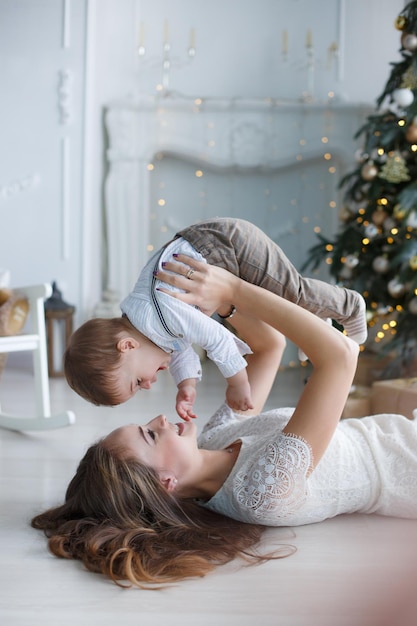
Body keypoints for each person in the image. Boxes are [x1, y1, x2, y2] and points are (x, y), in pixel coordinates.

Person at [32, 257, 417, 589]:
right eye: (150, 434)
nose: (161, 419)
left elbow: (269, 348)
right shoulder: (261, 490)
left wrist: (220, 306)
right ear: (166, 484)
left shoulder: (215, 440)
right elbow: (340, 356)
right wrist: (233, 288)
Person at [64, 217, 367, 419]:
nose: (147, 385)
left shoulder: (164, 309)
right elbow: (180, 348)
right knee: (279, 300)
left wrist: (237, 383)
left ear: (127, 346)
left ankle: (350, 305)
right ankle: (316, 324)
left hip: (227, 245)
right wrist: (187, 385)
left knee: (292, 294)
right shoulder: (151, 327)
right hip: (213, 251)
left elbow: (217, 338)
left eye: (137, 381)